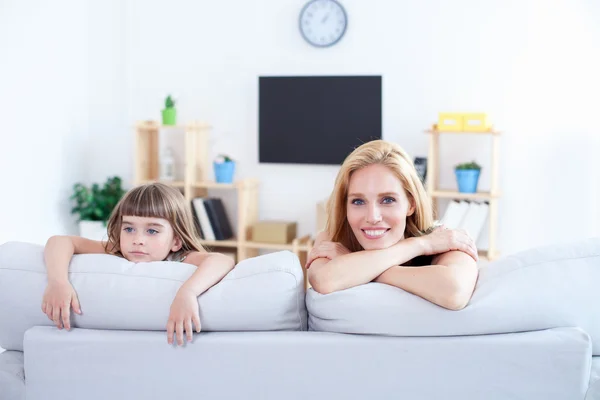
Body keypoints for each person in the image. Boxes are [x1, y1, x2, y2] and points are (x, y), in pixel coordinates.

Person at [41, 182, 235, 345]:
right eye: (129, 229)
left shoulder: (180, 257)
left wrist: (187, 293)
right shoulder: (116, 249)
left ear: (176, 241)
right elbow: (60, 240)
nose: (138, 239)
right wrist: (58, 282)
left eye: (152, 231)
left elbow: (222, 260)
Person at [306, 140, 479, 310]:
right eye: (358, 201)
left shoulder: (443, 240)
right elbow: (325, 281)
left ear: (411, 204)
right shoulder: (333, 238)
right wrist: (419, 245)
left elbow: (454, 291)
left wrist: (357, 267)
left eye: (388, 200)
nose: (372, 217)